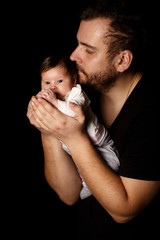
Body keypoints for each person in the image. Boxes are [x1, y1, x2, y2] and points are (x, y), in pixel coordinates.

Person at [27, 0, 159, 238]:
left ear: (122, 61)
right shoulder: (84, 90)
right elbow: (68, 194)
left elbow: (125, 210)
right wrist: (48, 128)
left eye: (88, 49)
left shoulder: (151, 114)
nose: (73, 55)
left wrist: (73, 138)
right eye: (78, 43)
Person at [36, 55, 120, 199]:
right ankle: (79, 185)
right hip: (75, 149)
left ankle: (87, 191)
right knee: (79, 170)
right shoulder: (51, 98)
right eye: (47, 82)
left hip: (100, 143)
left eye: (60, 81)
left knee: (112, 166)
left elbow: (71, 112)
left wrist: (53, 103)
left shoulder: (77, 93)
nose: (52, 87)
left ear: (74, 80)